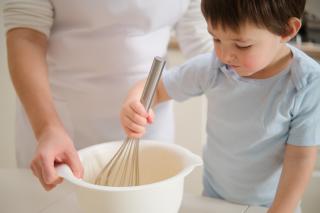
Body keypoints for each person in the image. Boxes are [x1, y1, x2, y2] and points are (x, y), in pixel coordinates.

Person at [121, 0, 320, 212]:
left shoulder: (307, 83)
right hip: (216, 201)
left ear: (286, 30)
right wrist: (135, 103)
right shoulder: (213, 68)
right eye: (216, 38)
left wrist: (280, 210)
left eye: (242, 45)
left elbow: (300, 158)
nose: (224, 55)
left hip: (274, 206)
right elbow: (158, 90)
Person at [3, 0, 212, 191]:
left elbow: (202, 35)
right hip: (58, 130)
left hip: (147, 124)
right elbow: (26, 36)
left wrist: (239, 72)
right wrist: (47, 128)